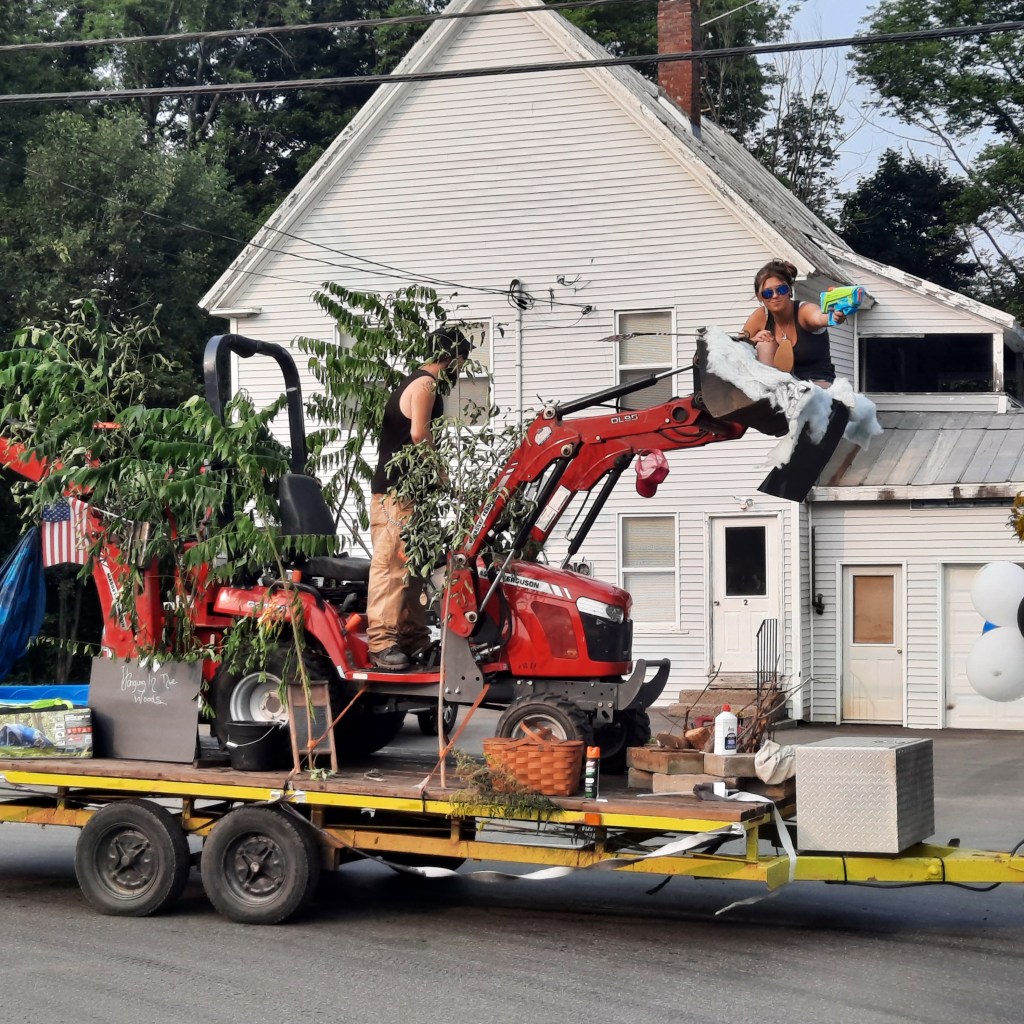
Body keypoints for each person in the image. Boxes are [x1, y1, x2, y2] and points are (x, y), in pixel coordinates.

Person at [366, 325, 472, 671]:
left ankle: (413, 639)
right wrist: (442, 475)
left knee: (413, 569)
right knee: (392, 568)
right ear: (454, 358)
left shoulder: (415, 380)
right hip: (396, 494)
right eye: (462, 362)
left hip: (410, 494)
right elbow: (419, 434)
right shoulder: (426, 385)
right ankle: (381, 644)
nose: (460, 371)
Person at [741, 259, 846, 388]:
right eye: (767, 293)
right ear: (760, 297)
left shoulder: (804, 311)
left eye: (781, 290)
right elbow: (736, 346)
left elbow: (819, 317)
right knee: (764, 343)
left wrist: (834, 315)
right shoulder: (761, 316)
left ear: (790, 290)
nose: (775, 296)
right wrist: (752, 340)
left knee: (804, 395)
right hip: (781, 387)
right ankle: (768, 391)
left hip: (817, 384)